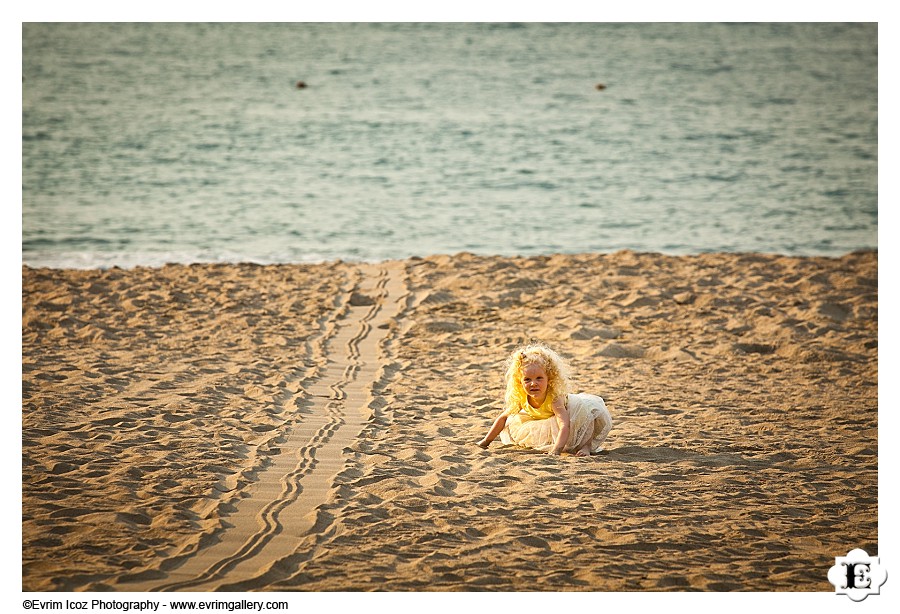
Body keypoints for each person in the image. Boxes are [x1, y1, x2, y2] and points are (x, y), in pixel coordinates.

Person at [477, 343, 612, 456]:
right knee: (515, 421)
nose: (533, 383)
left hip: (571, 417)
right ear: (520, 382)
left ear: (550, 379)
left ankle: (586, 447)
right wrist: (486, 442)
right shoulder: (521, 397)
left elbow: (564, 424)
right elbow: (503, 419)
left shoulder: (554, 398)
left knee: (589, 412)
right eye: (527, 380)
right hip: (547, 421)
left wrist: (557, 450)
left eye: (539, 378)